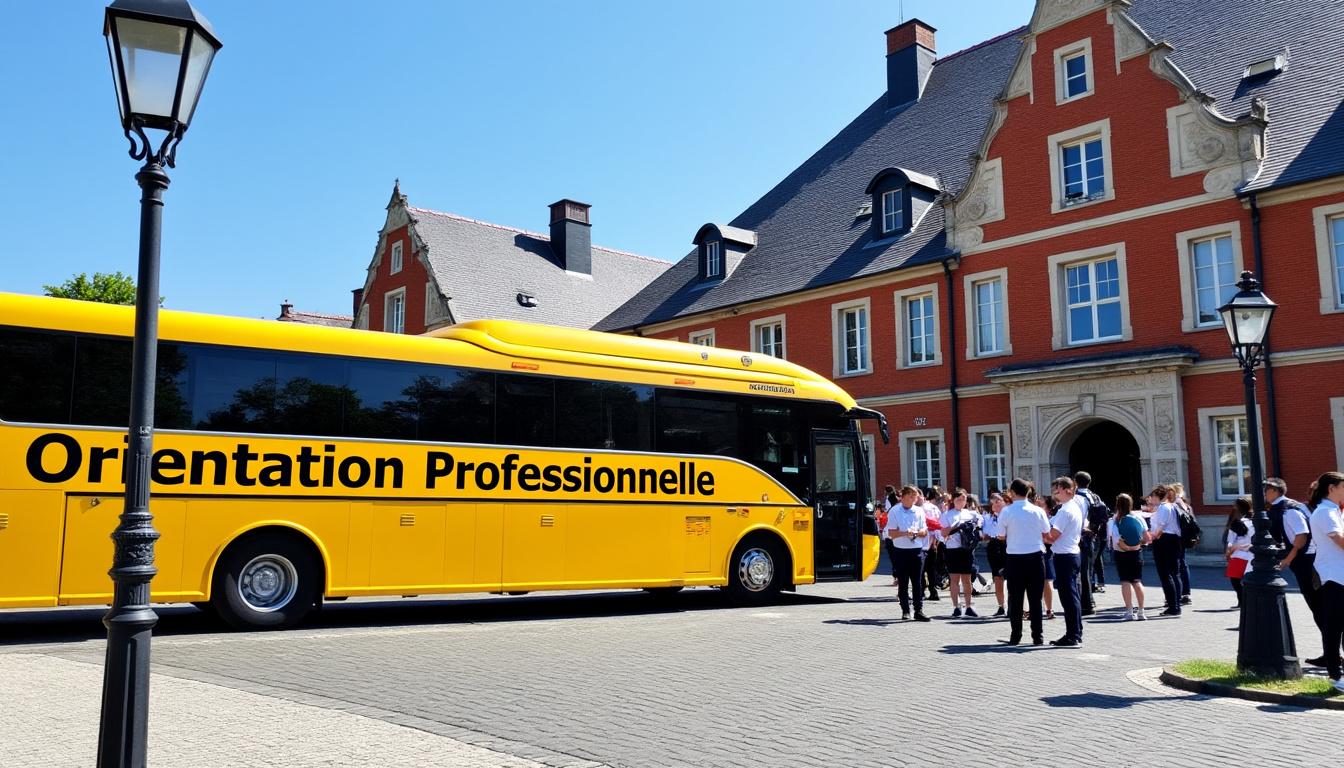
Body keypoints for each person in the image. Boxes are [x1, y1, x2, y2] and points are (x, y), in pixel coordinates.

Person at [1266, 477, 1327, 665]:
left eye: (1265, 490)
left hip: (1307, 562)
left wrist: (1288, 559)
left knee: (1320, 608)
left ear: (1275, 491)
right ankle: (1331, 652)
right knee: (1321, 609)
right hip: (1308, 560)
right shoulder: (1288, 507)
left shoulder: (1287, 510)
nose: (1262, 494)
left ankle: (1332, 654)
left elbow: (1301, 536)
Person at [998, 478, 1051, 646]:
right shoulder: (1038, 510)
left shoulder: (1006, 511)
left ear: (1012, 492)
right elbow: (1046, 532)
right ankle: (1038, 636)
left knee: (1016, 597)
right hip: (1035, 556)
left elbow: (1000, 535)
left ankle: (1016, 635)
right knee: (1035, 598)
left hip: (1015, 557)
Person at [1306, 471, 1344, 693]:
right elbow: (1339, 540)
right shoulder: (1325, 512)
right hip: (1333, 577)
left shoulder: (1335, 511)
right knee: (1334, 628)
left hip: (1339, 575)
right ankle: (1335, 675)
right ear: (1331, 488)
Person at [1045, 476, 1086, 646]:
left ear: (1068, 490)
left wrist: (1037, 530)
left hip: (1065, 555)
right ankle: (1075, 631)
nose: (1056, 493)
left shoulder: (1065, 510)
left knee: (1068, 596)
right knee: (1072, 594)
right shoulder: (1073, 506)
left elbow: (1052, 536)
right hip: (1071, 553)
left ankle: (1073, 634)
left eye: (1058, 490)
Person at [885, 485, 931, 622]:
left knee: (917, 582)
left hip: (916, 550)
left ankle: (918, 610)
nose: (914, 499)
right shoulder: (895, 511)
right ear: (903, 496)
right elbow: (891, 533)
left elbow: (925, 531)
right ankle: (905, 610)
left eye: (915, 496)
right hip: (900, 550)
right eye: (911, 496)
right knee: (903, 582)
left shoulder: (919, 511)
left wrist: (916, 533)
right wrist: (905, 533)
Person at [1108, 493, 1148, 620]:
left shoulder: (1114, 520)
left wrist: (1126, 547)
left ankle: (1130, 611)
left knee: (1125, 581)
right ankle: (1141, 611)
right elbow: (1147, 538)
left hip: (1121, 553)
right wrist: (1136, 545)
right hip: (1137, 553)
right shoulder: (1138, 517)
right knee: (1137, 581)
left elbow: (1114, 539)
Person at [941, 488, 980, 618]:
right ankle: (956, 607)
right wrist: (957, 526)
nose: (961, 502)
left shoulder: (970, 513)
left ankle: (968, 606)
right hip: (952, 549)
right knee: (954, 579)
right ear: (953, 500)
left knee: (967, 580)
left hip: (966, 550)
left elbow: (979, 525)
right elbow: (943, 533)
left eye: (963, 499)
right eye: (958, 499)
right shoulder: (947, 514)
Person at [1148, 484, 1184, 616]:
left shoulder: (1163, 508)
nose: (1151, 499)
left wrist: (1149, 538)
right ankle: (1176, 603)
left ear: (1158, 496)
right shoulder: (1171, 506)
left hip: (1164, 541)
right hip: (1173, 540)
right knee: (1174, 573)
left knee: (1165, 574)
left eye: (1152, 496)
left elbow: (1160, 529)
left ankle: (1173, 606)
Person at [1075, 471, 1107, 595]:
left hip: (1082, 535)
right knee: (1090, 565)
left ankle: (1086, 598)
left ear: (1075, 482)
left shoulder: (1077, 497)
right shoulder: (1094, 496)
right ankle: (1093, 587)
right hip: (1095, 534)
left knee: (1083, 569)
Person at [981, 492, 1009, 617]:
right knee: (997, 577)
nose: (995, 503)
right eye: (993, 501)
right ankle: (1001, 606)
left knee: (1011, 576)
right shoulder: (988, 518)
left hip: (1008, 544)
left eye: (998, 500)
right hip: (994, 545)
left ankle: (1012, 605)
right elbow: (985, 535)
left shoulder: (1009, 514)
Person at [1224, 497, 1255, 608]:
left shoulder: (1236, 523)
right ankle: (1247, 600)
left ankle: (1242, 601)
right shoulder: (1256, 521)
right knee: (1249, 580)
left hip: (1239, 554)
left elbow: (1230, 541)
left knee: (1235, 580)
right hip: (1252, 554)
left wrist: (1228, 553)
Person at [1170, 483, 1194, 606]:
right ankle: (1186, 593)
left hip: (1175, 538)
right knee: (1183, 564)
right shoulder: (1187, 506)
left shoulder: (1174, 506)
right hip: (1184, 538)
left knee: (1175, 566)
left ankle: (1178, 593)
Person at [1038, 493, 1056, 621]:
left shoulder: (1052, 519)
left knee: (1047, 580)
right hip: (1035, 550)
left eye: (1041, 504)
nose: (1038, 505)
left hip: (1047, 551)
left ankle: (1049, 608)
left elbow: (1050, 538)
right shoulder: (1037, 516)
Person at [880, 485, 899, 586]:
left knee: (894, 557)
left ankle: (897, 577)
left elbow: (885, 521)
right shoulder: (899, 509)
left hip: (890, 535)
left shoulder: (891, 509)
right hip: (896, 535)